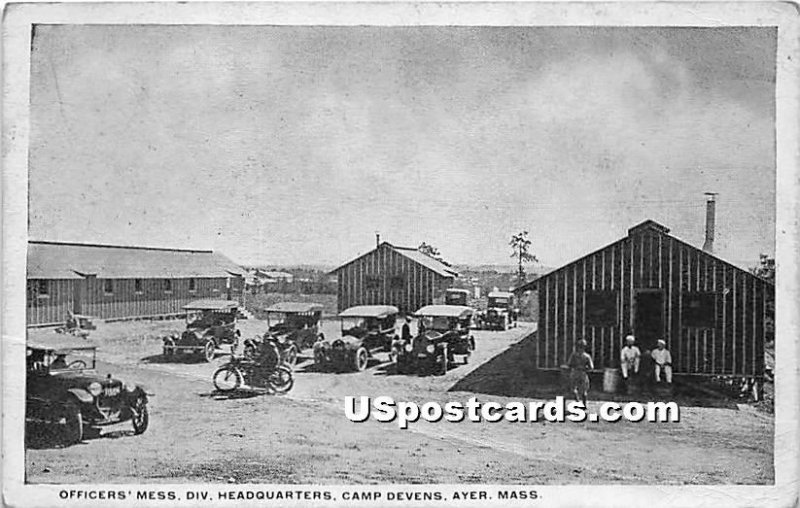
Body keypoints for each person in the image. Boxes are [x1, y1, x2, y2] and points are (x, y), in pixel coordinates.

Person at [567, 339, 594, 406]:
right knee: (584, 390)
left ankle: (577, 401)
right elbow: (591, 367)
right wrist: (585, 368)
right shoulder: (587, 356)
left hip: (574, 373)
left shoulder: (573, 355)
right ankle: (584, 405)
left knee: (573, 389)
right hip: (583, 373)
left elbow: (569, 364)